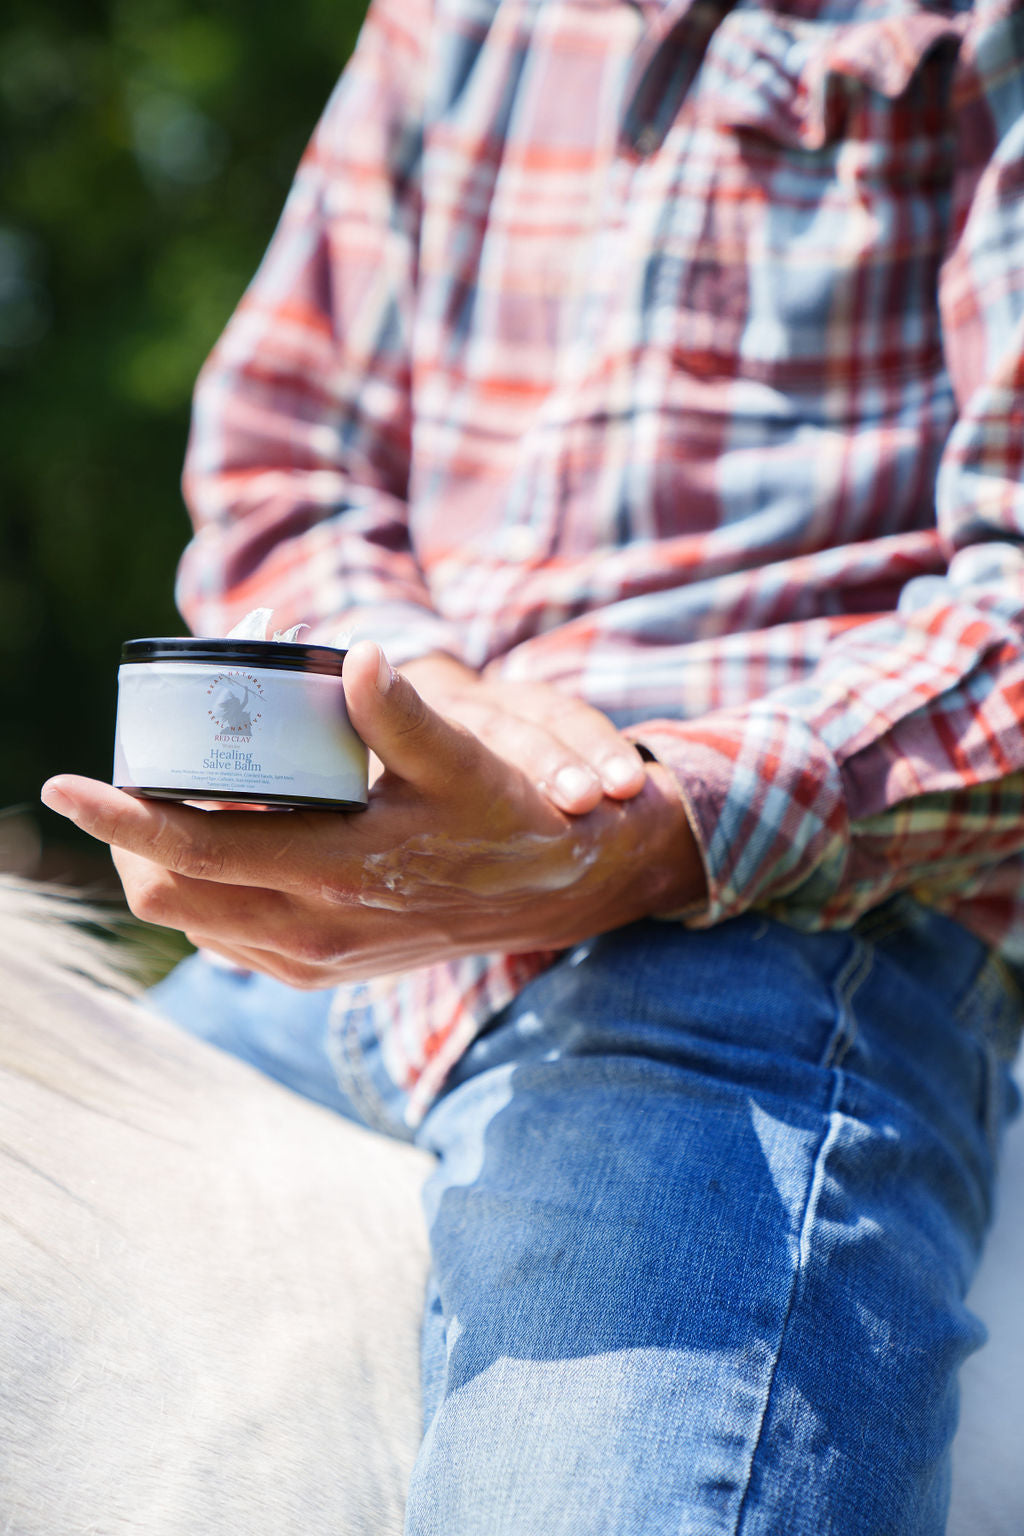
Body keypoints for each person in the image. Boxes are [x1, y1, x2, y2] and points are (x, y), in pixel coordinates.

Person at [41, 0, 1024, 1529]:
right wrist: (417, 698)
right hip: (357, 938)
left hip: (774, 944)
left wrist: (650, 818)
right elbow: (284, 454)